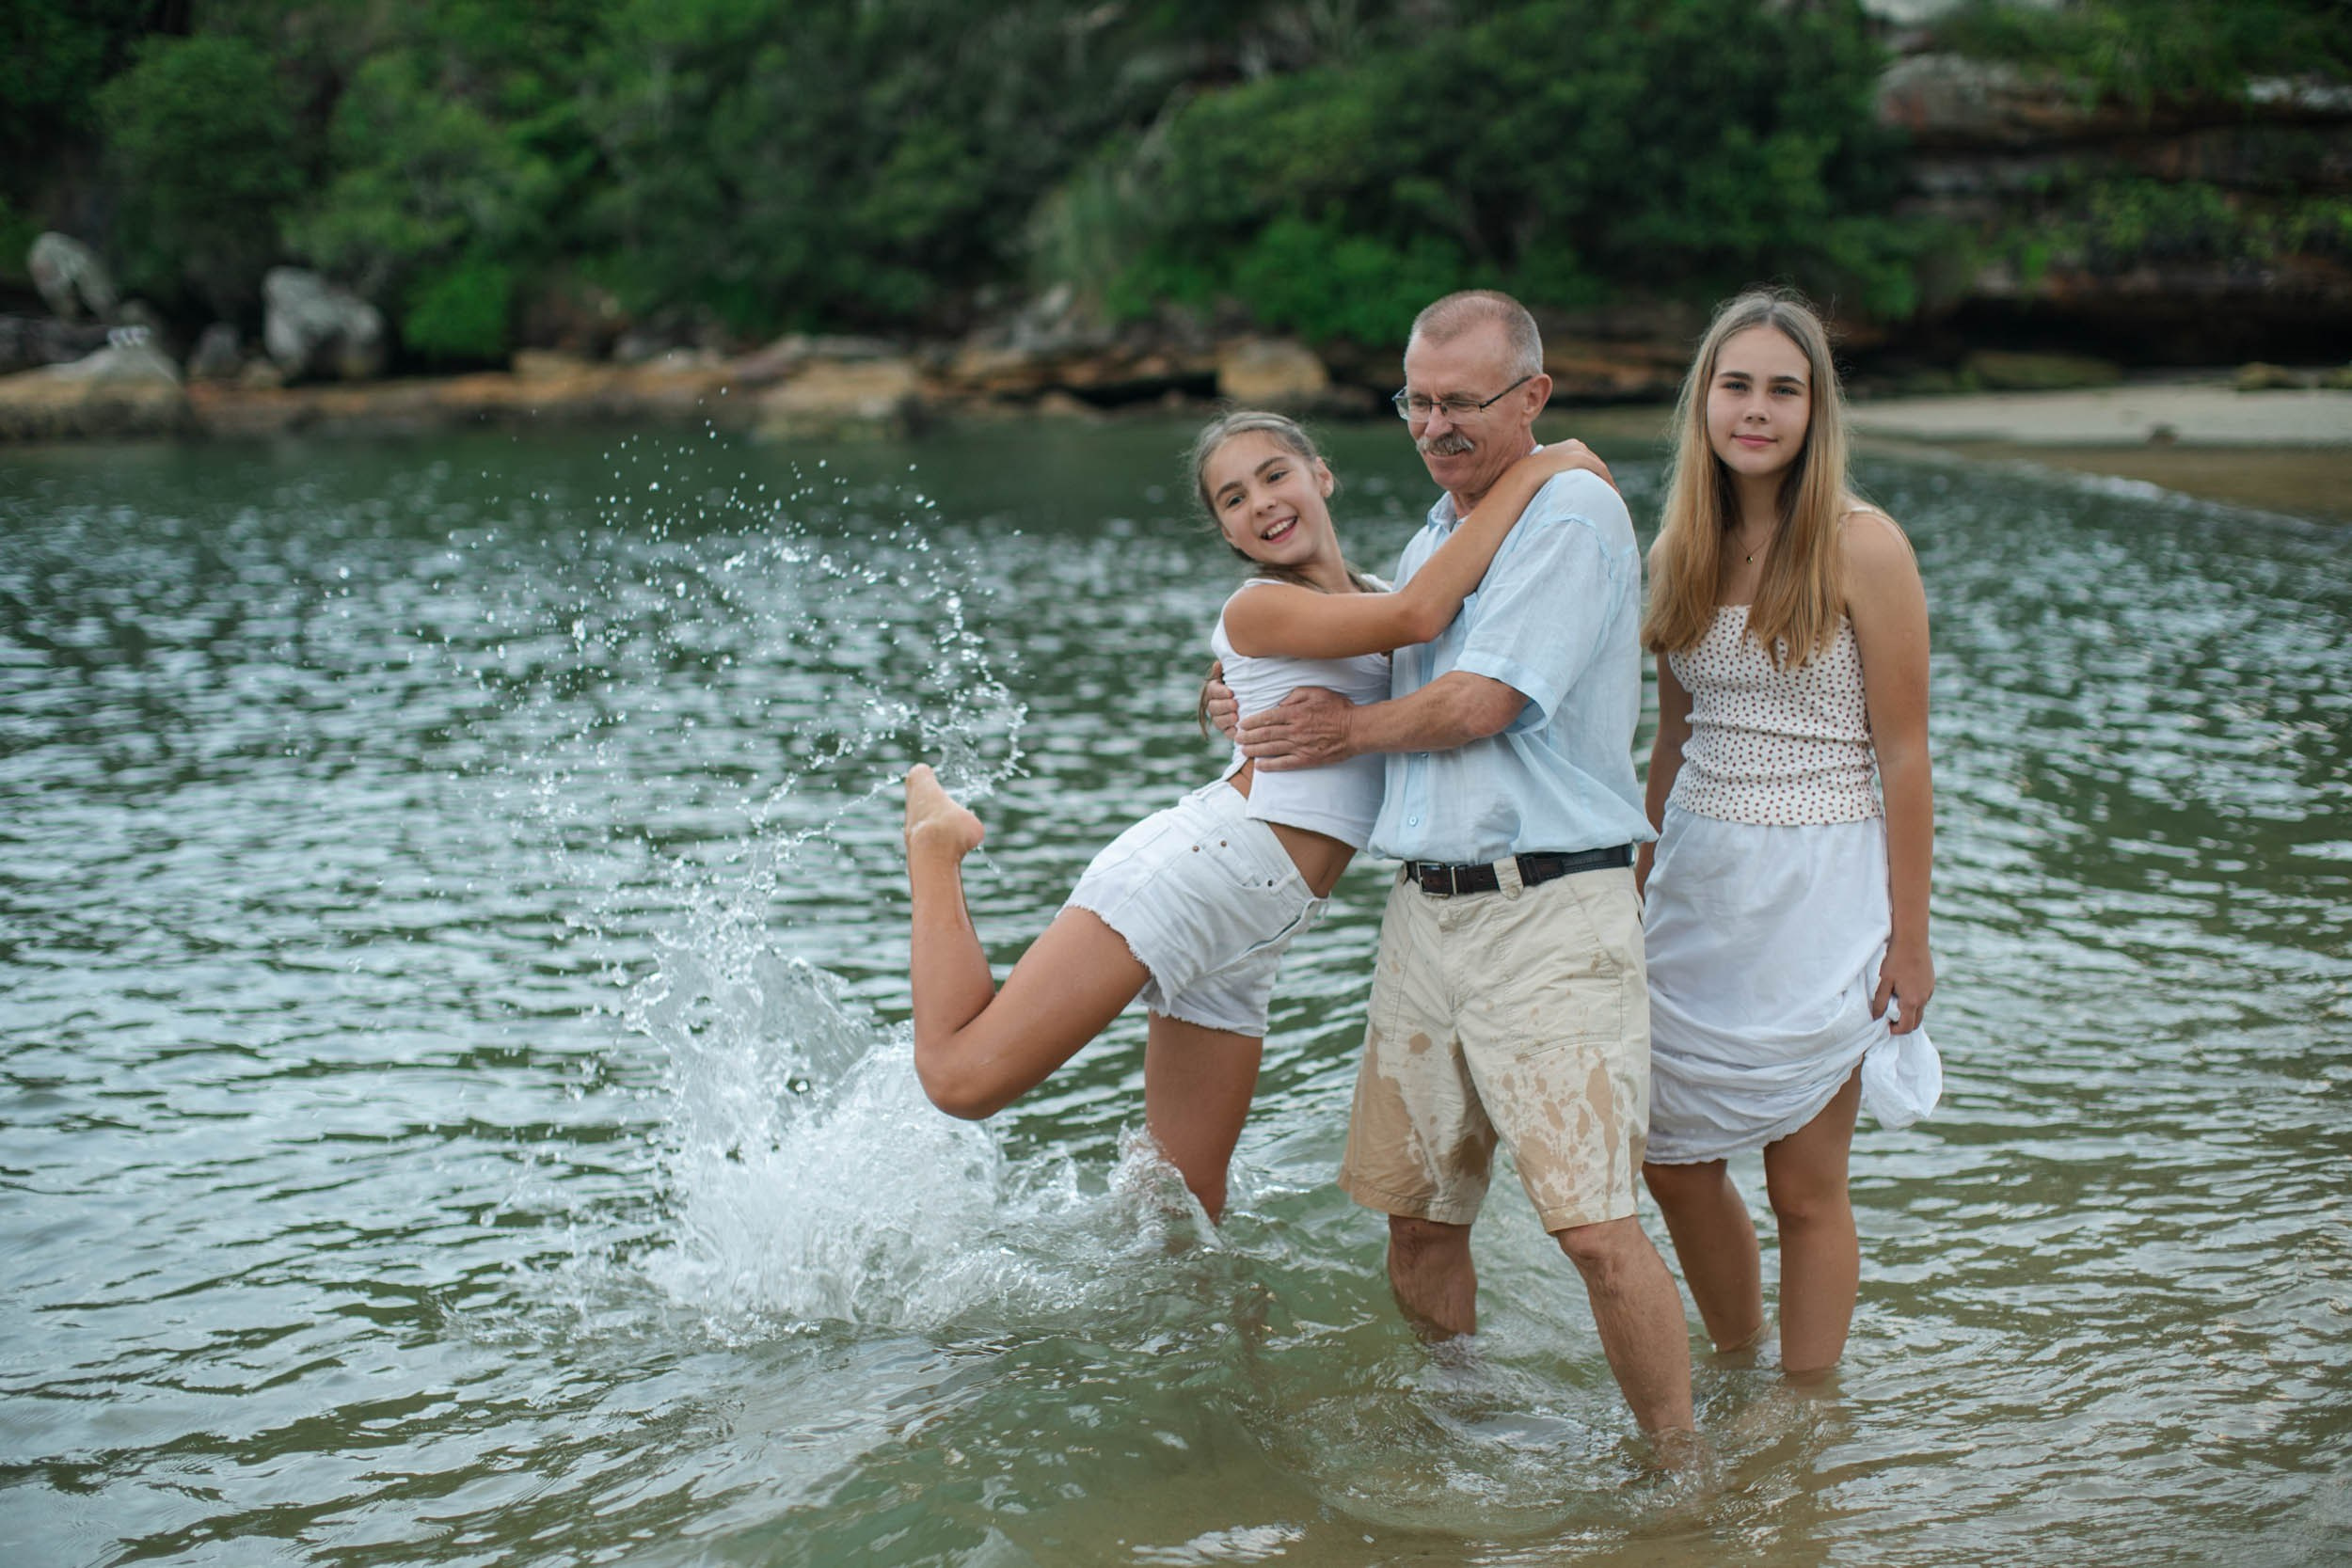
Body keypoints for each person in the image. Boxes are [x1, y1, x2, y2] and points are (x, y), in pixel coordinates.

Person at [901, 411, 1604, 1222]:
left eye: (1275, 475)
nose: (1261, 502)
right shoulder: (1261, 607)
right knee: (961, 1081)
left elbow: (1437, 635)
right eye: (1233, 499)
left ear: (1321, 474)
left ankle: (1188, 1309)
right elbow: (1421, 615)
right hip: (1198, 875)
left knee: (1184, 1206)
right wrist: (1539, 469)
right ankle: (936, 846)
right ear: (1229, 532)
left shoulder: (1372, 594)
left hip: (1255, 934)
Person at [1230, 292, 1694, 1437]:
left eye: (1461, 403)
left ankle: (1678, 1476)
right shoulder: (1434, 536)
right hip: (1425, 915)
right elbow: (1385, 652)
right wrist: (1245, 692)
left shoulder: (1572, 509)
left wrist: (1344, 732)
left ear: (1532, 396)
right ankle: (1465, 1418)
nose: (1434, 425)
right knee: (1416, 1217)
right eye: (1417, 401)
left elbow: (1482, 702)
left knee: (1593, 1227)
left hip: (1551, 908)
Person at [1635, 288, 1943, 1377]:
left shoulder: (1864, 544)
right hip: (1697, 885)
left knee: (1804, 1186)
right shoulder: (1678, 547)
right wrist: (1637, 880)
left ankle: (1807, 1412)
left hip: (1823, 885)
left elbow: (1904, 754)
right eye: (1736, 385)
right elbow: (1673, 734)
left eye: (1783, 389)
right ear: (1703, 401)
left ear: (1815, 409)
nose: (1756, 409)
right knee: (1668, 1159)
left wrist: (1911, 939)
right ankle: (1738, 1362)